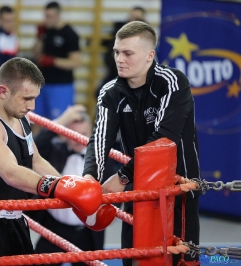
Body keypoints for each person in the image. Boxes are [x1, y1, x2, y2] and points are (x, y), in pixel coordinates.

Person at [0, 57, 105, 259]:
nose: (32, 106)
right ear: (3, 91)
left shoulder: (21, 117)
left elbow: (35, 160)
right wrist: (56, 188)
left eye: (34, 98)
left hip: (17, 220)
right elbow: (10, 172)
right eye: (26, 98)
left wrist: (68, 187)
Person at [83, 21, 201, 266]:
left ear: (150, 55)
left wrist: (123, 176)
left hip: (178, 189)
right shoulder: (110, 92)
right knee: (133, 258)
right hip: (139, 190)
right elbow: (99, 138)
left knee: (181, 260)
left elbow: (163, 137)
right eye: (116, 52)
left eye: (128, 53)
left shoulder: (171, 81)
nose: (119, 59)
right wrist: (90, 180)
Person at [29, 105, 106, 266]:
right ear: (65, 134)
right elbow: (32, 146)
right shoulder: (55, 150)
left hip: (87, 233)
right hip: (54, 228)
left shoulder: (103, 157)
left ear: (91, 133)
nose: (77, 139)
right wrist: (62, 120)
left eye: (82, 134)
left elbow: (115, 188)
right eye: (72, 134)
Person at [33, 1, 81, 120]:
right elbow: (36, 54)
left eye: (50, 16)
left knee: (60, 123)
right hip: (42, 84)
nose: (47, 19)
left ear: (58, 15)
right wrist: (40, 37)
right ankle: (35, 140)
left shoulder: (70, 34)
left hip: (61, 86)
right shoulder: (46, 31)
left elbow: (76, 62)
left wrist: (53, 61)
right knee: (36, 120)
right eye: (45, 16)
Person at [99, 6, 146, 92]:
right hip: (114, 72)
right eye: (132, 16)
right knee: (101, 92)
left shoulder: (146, 37)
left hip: (133, 77)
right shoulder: (119, 31)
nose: (133, 20)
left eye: (137, 18)